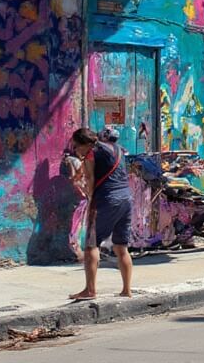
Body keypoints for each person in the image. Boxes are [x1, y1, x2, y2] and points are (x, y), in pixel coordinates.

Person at [67, 126, 133, 300]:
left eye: (76, 146)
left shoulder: (91, 153)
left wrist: (90, 197)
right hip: (126, 199)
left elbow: (89, 179)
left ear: (84, 144)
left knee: (91, 245)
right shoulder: (117, 148)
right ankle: (127, 290)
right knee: (121, 247)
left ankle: (90, 290)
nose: (75, 150)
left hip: (107, 199)